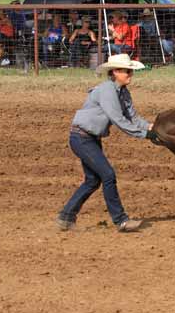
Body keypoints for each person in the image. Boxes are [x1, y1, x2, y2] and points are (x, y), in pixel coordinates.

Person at [57, 53, 155, 232]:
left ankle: (66, 217)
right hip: (82, 138)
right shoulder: (108, 90)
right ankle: (121, 220)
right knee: (108, 175)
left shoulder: (123, 92)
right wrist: (144, 135)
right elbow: (118, 119)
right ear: (115, 72)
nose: (130, 75)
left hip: (89, 138)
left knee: (93, 180)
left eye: (130, 71)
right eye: (127, 71)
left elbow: (132, 117)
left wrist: (151, 127)